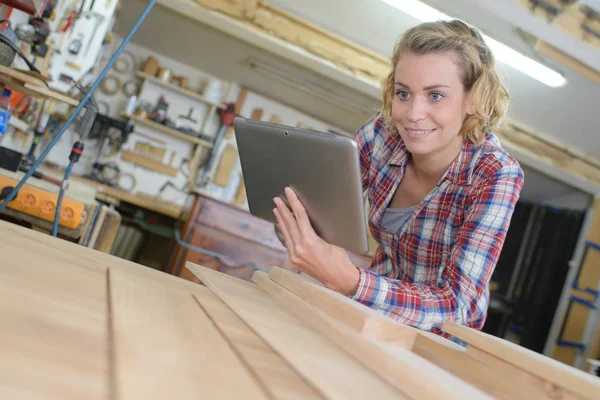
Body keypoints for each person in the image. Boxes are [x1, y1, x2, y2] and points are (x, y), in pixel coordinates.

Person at [272, 19, 524, 339]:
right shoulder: (383, 132)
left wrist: (351, 281)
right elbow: (314, 210)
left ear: (473, 98)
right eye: (404, 93)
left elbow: (457, 305)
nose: (412, 113)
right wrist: (297, 229)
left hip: (436, 341)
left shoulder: (494, 173)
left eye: (435, 96)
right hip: (369, 308)